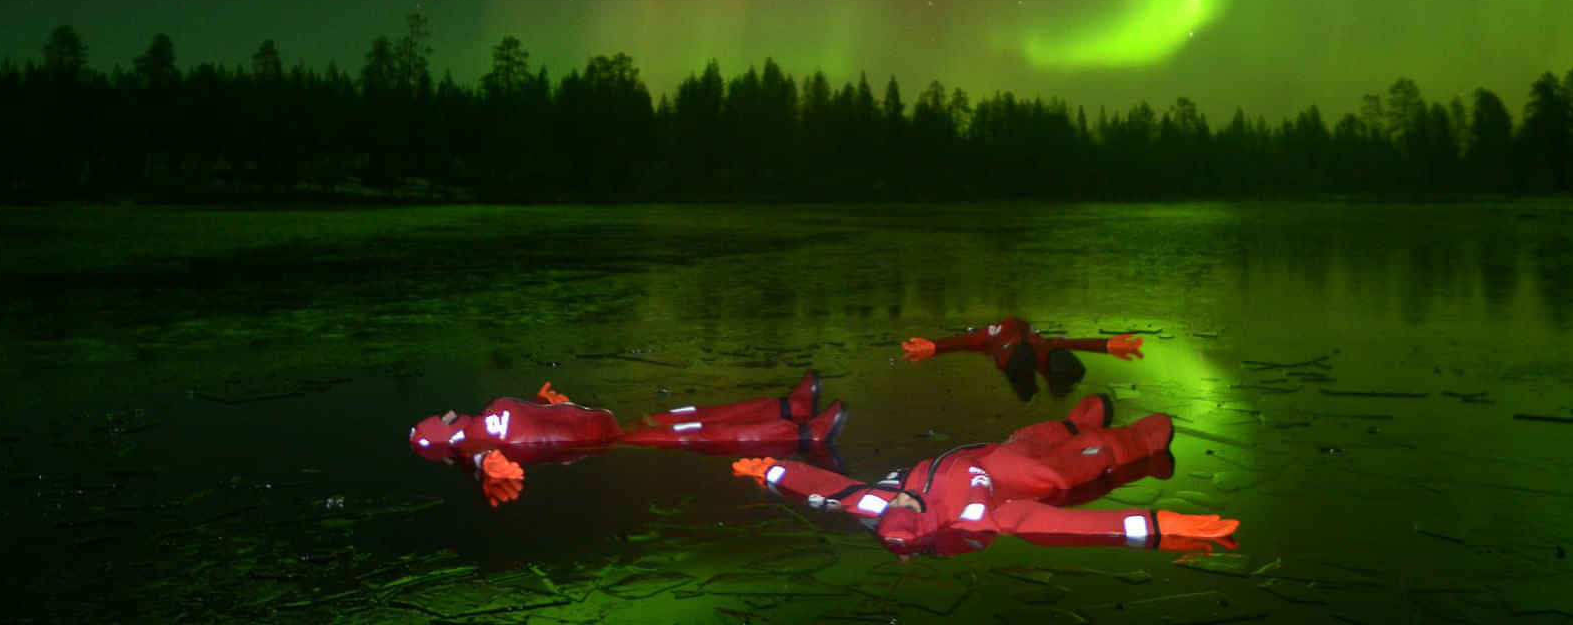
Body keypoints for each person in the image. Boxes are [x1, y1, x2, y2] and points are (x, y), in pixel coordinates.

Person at [730, 393, 1237, 557]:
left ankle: (1071, 422)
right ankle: (1123, 438)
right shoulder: (979, 520)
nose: (901, 502)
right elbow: (1050, 525)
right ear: (926, 525)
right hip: (1050, 473)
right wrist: (1151, 524)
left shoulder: (876, 502)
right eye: (908, 510)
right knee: (1105, 447)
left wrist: (774, 468)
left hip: (1008, 449)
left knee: (1029, 434)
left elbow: (826, 486)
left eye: (896, 509)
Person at [410, 371, 846, 506]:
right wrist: (489, 468)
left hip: (600, 426)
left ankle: (791, 409)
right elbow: (487, 455)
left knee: (692, 418)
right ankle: (803, 430)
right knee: (697, 431)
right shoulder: (480, 442)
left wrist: (553, 406)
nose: (453, 415)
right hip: (604, 438)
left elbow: (513, 432)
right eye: (446, 418)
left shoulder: (483, 427)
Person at [901, 317, 1145, 400]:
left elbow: (1068, 343)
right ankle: (1031, 392)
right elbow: (965, 341)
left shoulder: (1039, 347)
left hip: (1029, 351)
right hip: (1017, 356)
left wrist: (1107, 345)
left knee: (1039, 380)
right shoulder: (992, 341)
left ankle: (1046, 389)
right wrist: (934, 347)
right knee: (1027, 393)